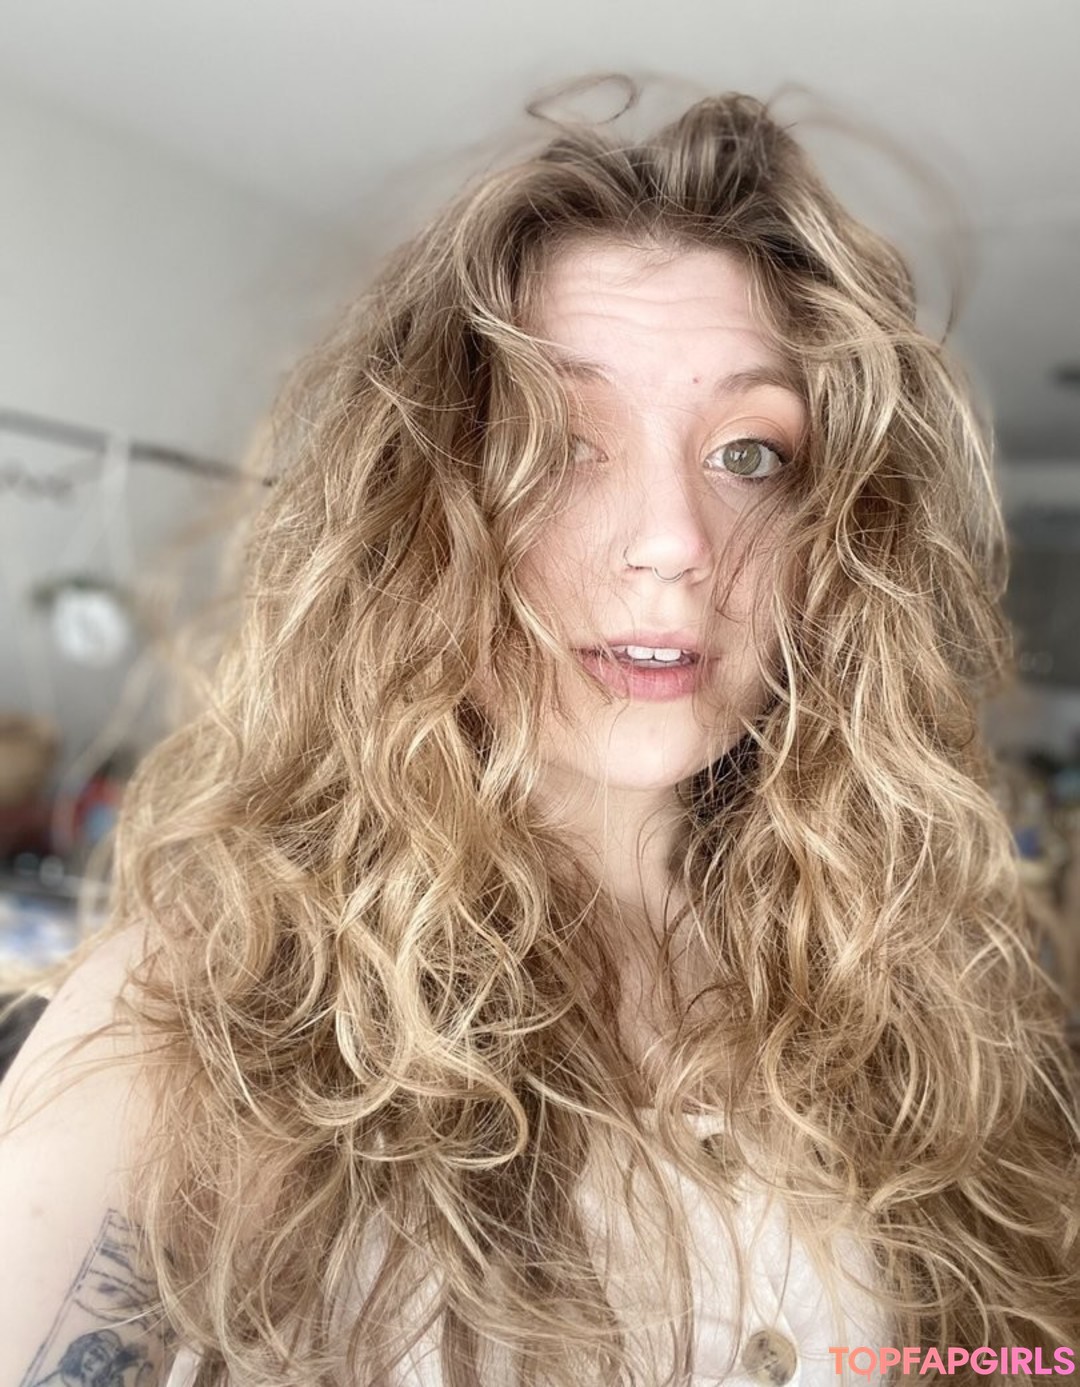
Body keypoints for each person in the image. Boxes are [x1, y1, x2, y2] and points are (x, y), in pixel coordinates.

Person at [1, 77, 1077, 1387]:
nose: (674, 543)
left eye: (750, 456)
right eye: (560, 443)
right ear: (419, 516)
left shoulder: (903, 980)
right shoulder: (205, 1009)